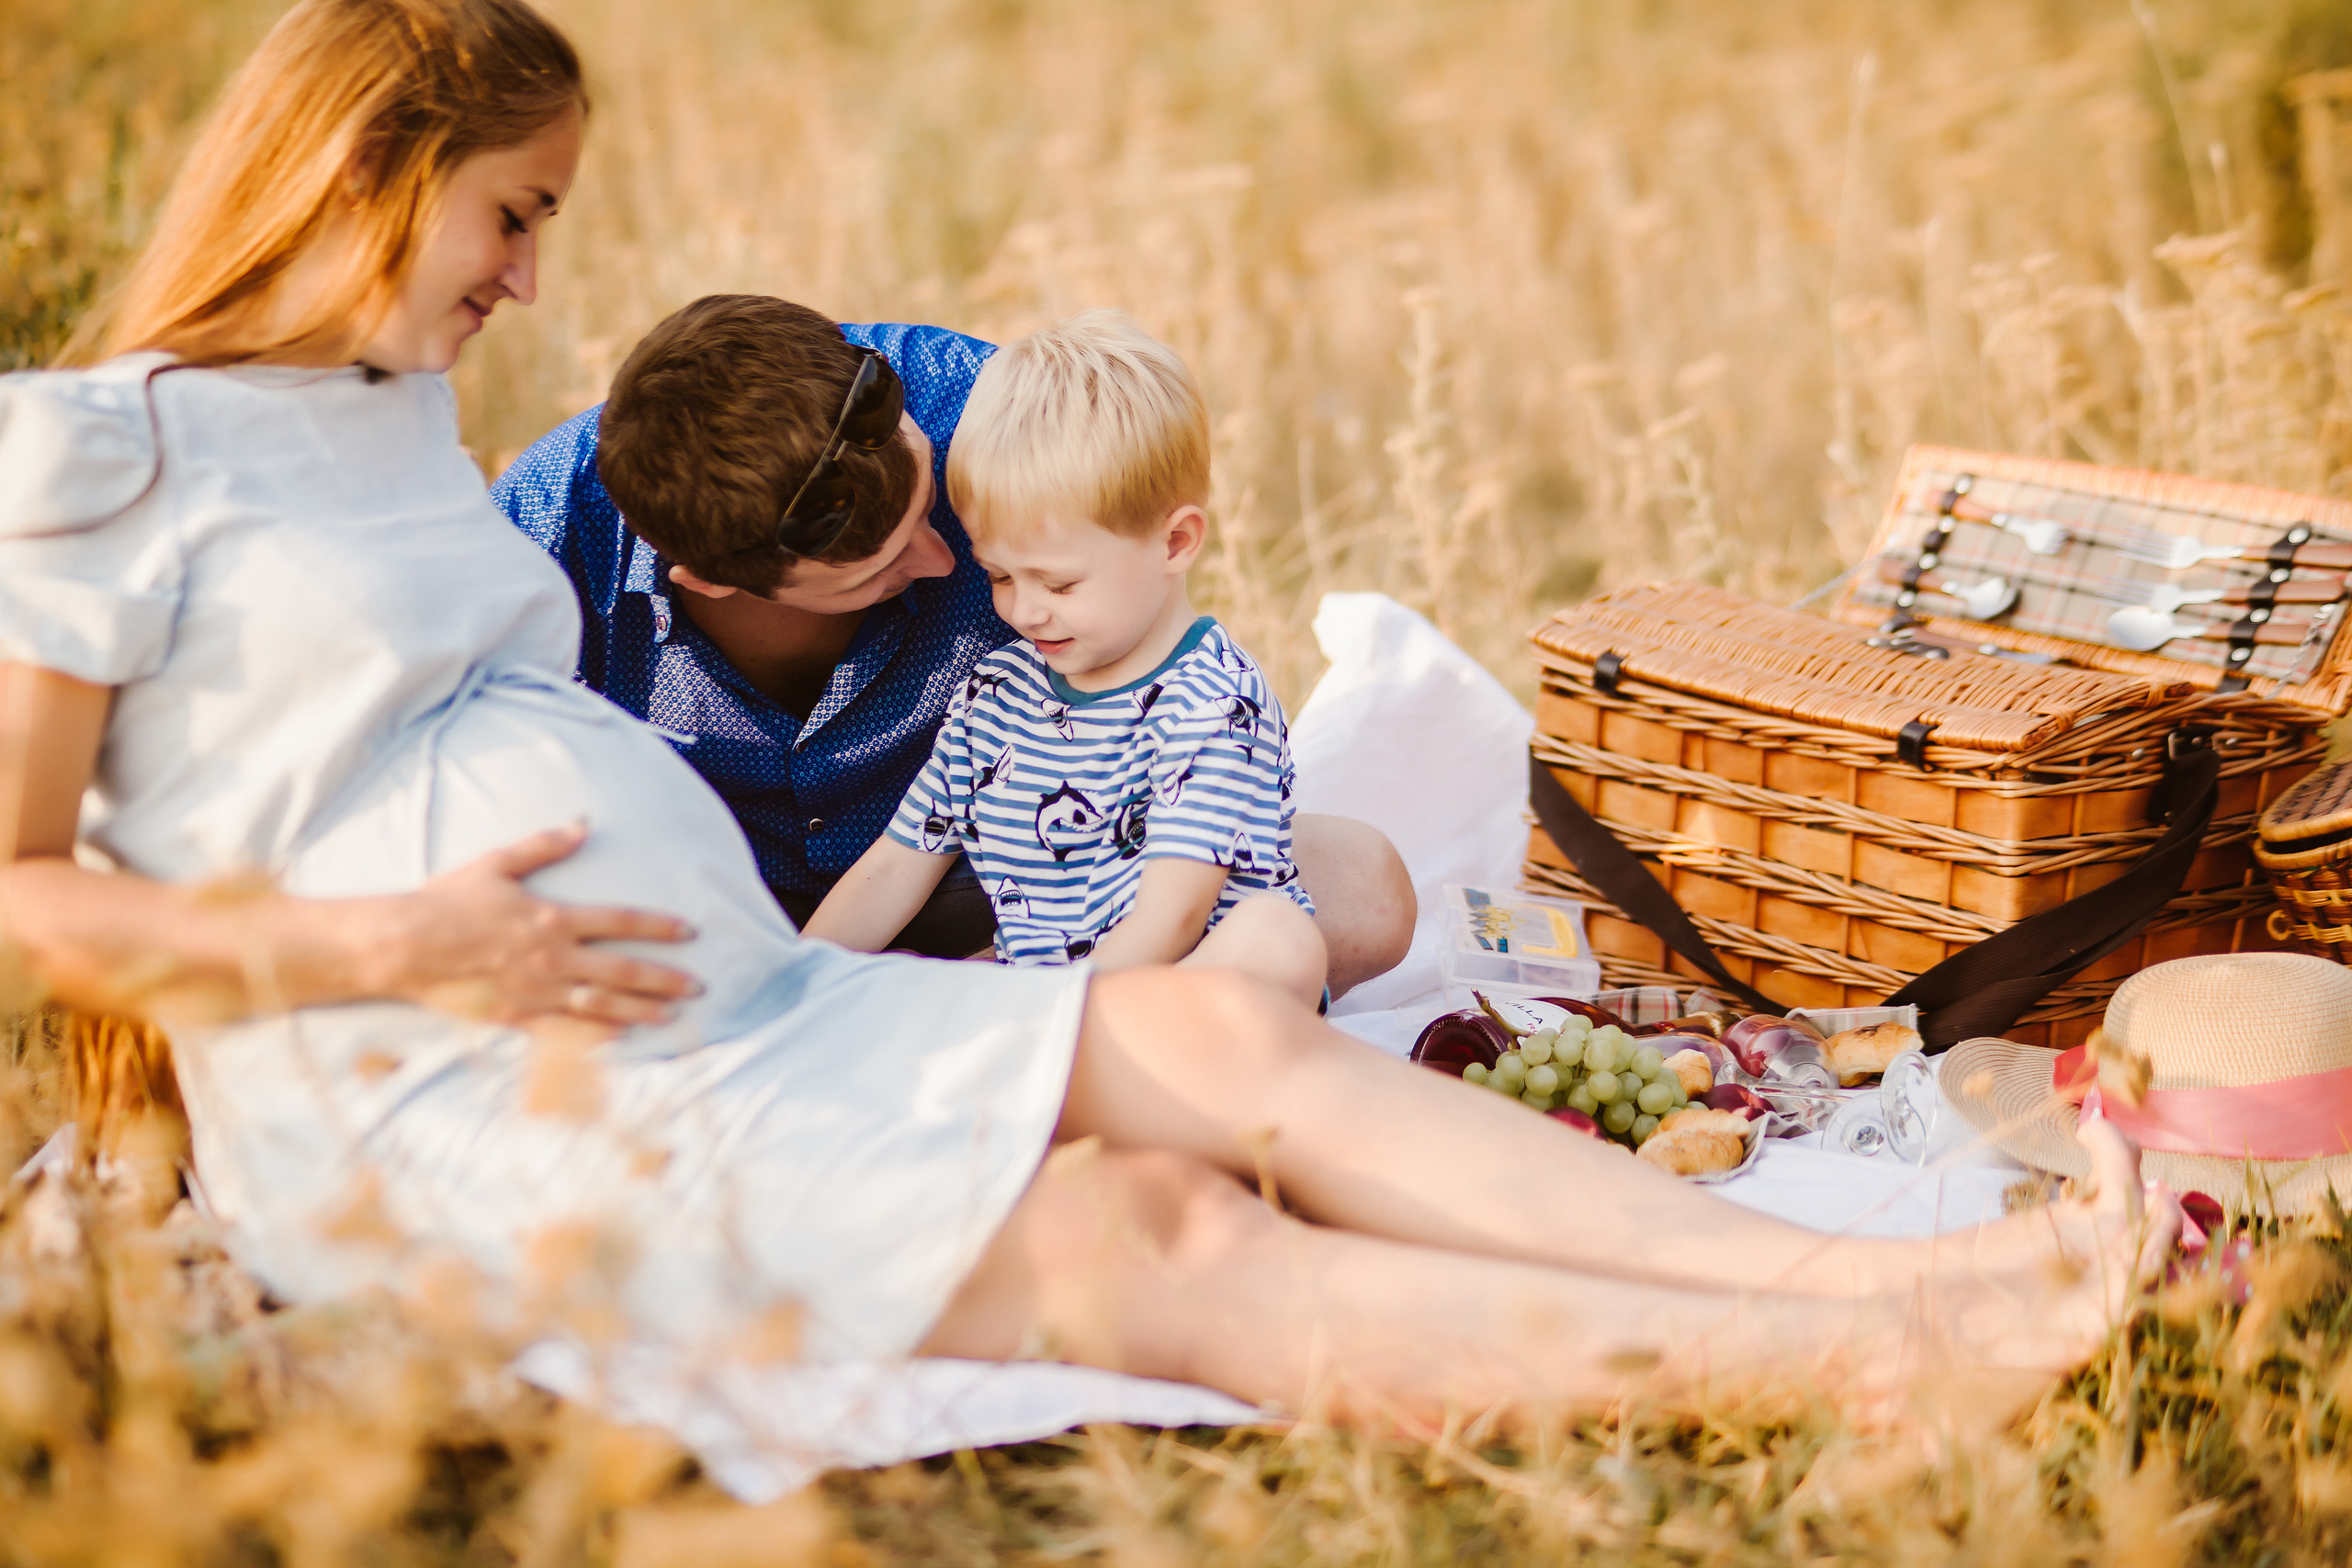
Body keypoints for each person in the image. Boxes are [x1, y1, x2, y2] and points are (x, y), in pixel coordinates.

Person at [0, 0, 2176, 1445]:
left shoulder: (386, 408)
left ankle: (1899, 1267)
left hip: (731, 993)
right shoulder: (92, 457)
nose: (529, 277)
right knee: (1150, 1229)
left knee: (1228, 1044)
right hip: (468, 1085)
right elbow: (20, 895)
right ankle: (1869, 1371)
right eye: (514, 211)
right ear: (370, 162)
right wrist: (383, 951)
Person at [492, 291, 1414, 991]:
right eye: (876, 571)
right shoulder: (533, 544)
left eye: (936, 510)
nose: (945, 563)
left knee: (1354, 894)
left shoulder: (999, 419)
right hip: (712, 899)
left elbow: (1133, 634)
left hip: (1014, 874)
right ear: (712, 582)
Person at [805, 312, 1326, 1006]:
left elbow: (1171, 921)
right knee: (904, 977)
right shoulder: (996, 691)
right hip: (1047, 1007)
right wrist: (796, 980)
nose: (1023, 611)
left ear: (1175, 543)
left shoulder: (1212, 702)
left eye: (1058, 583)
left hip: (1166, 1007)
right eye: (998, 576)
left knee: (1275, 937)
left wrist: (1043, 1023)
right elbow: (897, 864)